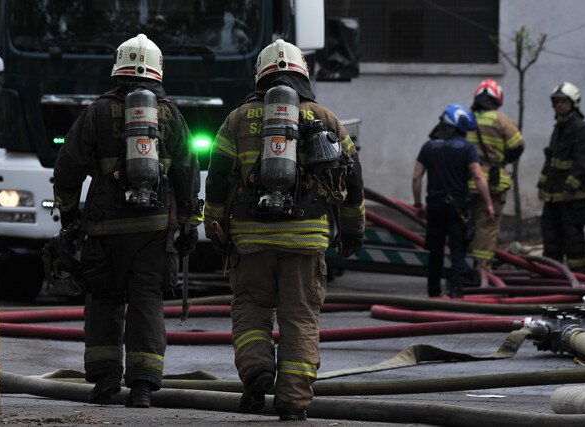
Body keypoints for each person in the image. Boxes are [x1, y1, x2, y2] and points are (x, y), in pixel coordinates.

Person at [204, 39, 365, 421]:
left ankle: (258, 370)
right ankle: (292, 403)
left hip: (251, 238)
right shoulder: (326, 117)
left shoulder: (237, 119)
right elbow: (353, 180)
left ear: (260, 74)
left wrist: (214, 224)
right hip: (306, 240)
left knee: (252, 308)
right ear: (303, 73)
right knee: (299, 317)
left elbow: (218, 178)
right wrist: (354, 229)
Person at [53, 34, 202, 408]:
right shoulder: (170, 114)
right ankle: (142, 387)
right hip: (154, 231)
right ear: (157, 70)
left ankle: (105, 381)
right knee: (147, 302)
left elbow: (68, 167)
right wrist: (188, 224)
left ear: (117, 69)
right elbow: (187, 173)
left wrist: (69, 215)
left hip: (104, 230)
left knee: (103, 299)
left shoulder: (98, 111)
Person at [412, 104, 494, 298]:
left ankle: (433, 293)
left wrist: (418, 204)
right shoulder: (467, 147)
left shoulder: (428, 146)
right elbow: (478, 176)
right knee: (458, 249)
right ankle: (456, 291)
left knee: (435, 250)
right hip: (458, 206)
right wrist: (489, 203)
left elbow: (416, 178)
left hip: (434, 205)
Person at [467, 79, 525, 273]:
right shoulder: (501, 120)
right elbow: (518, 146)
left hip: (466, 181)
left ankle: (462, 267)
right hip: (493, 183)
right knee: (487, 225)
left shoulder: (466, 118)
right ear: (497, 98)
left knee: (465, 223)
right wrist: (502, 161)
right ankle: (483, 270)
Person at [537, 82, 585, 272]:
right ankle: (552, 276)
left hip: (573, 199)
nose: (559, 105)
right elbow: (551, 159)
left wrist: (570, 189)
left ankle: (581, 279)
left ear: (573, 103)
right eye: (557, 102)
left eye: (563, 102)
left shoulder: (581, 128)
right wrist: (542, 185)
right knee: (551, 238)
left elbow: (583, 163)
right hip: (554, 197)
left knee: (573, 240)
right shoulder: (559, 128)